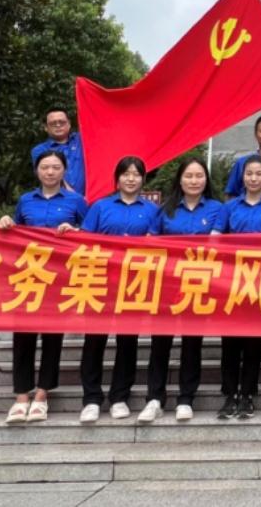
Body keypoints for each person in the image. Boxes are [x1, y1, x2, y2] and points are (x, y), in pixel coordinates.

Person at [63, 155, 159, 423]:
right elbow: (85, 239)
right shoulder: (100, 207)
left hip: (133, 283)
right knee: (94, 341)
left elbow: (157, 243)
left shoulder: (152, 210)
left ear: (143, 179)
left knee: (128, 342)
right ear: (117, 179)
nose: (131, 179)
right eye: (126, 174)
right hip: (100, 281)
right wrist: (71, 232)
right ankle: (91, 398)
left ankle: (120, 397)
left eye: (136, 174)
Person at [0, 151, 88, 424]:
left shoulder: (76, 201)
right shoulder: (26, 200)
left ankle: (42, 394)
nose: (50, 172)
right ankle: (21, 395)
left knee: (52, 336)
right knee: (22, 335)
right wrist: (5, 224)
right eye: (45, 167)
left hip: (59, 277)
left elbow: (90, 234)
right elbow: (15, 232)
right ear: (37, 170)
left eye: (56, 167)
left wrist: (75, 231)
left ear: (64, 171)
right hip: (28, 276)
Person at [143, 156, 222, 422]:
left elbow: (216, 245)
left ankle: (186, 398)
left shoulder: (216, 209)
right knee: (160, 343)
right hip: (167, 283)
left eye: (199, 176)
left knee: (192, 343)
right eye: (189, 176)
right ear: (180, 180)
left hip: (198, 283)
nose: (194, 181)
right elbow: (151, 242)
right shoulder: (165, 209)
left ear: (206, 180)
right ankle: (154, 398)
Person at [213, 155, 261, 419]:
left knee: (254, 343)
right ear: (242, 177)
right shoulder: (229, 207)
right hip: (232, 281)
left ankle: (248, 394)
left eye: (259, 174)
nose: (253, 178)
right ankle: (229, 394)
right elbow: (215, 240)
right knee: (230, 342)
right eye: (249, 174)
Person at [31, 106, 86, 195]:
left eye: (62, 122)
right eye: (53, 123)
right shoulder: (40, 150)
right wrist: (76, 198)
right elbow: (49, 176)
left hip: (93, 197)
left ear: (69, 124)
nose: (58, 125)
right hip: (59, 198)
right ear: (46, 127)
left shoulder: (82, 139)